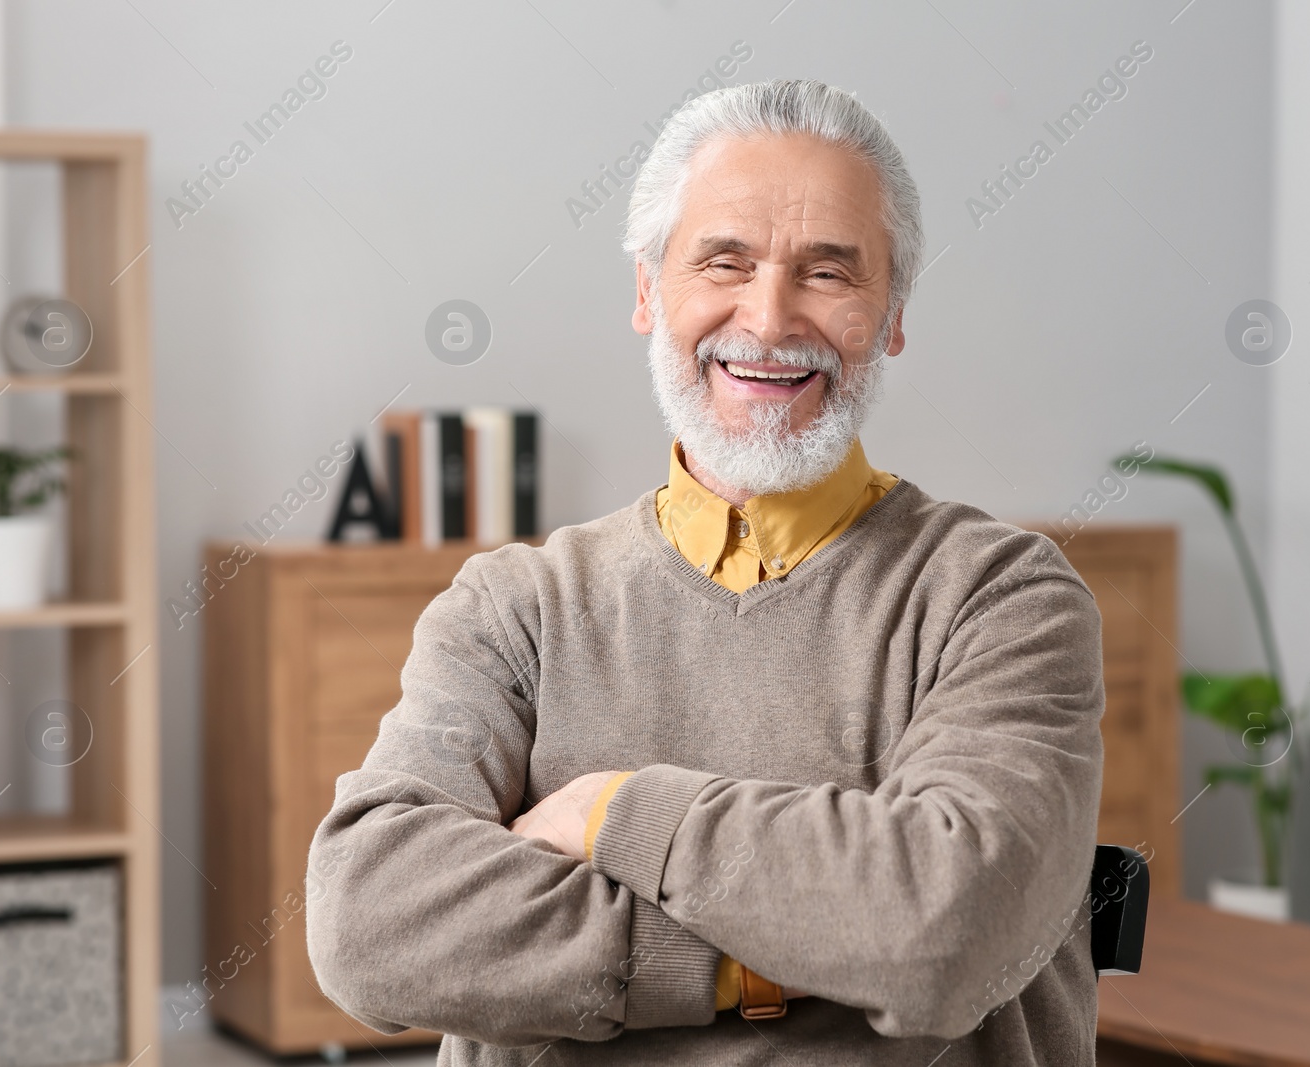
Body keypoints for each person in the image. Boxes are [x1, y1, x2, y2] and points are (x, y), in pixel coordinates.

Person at [307, 78, 1105, 1066]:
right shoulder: (513, 609)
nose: (768, 319)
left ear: (891, 313)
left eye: (827, 273)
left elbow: (945, 932)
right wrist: (774, 948)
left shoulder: (1001, 598)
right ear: (648, 292)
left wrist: (613, 812)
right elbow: (369, 922)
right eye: (723, 261)